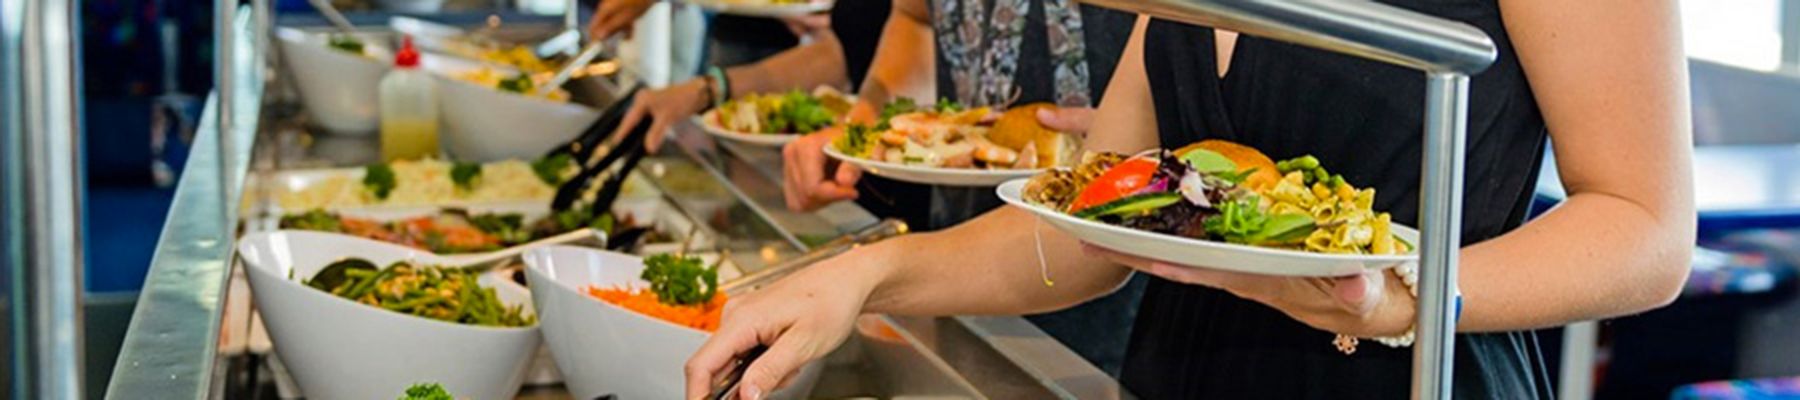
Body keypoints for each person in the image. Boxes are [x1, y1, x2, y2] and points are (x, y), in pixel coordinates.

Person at [688, 0, 1696, 398]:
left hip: (1412, 376)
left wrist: (1403, 296)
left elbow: (1648, 227)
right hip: (1181, 374)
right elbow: (1093, 227)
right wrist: (862, 276)